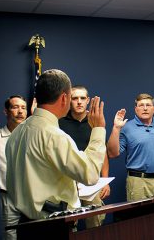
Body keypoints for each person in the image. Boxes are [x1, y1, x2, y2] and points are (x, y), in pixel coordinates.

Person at [6, 69, 106, 220]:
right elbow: (90, 174)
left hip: (25, 223)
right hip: (52, 225)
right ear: (65, 98)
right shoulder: (54, 136)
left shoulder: (17, 133)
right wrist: (98, 129)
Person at [107, 93, 154, 201]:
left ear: (153, 109)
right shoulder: (126, 127)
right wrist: (116, 128)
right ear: (136, 109)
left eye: (148, 105)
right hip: (138, 181)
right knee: (139, 216)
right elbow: (112, 153)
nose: (145, 108)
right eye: (141, 105)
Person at [59, 85, 110, 228]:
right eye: (75, 98)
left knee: (95, 222)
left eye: (82, 98)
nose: (79, 102)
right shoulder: (60, 122)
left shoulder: (95, 122)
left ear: (88, 100)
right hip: (68, 182)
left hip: (91, 182)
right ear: (69, 100)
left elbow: (103, 152)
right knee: (69, 225)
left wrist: (104, 181)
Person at [0, 95, 27, 240]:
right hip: (8, 199)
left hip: (34, 199)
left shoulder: (32, 135)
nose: (20, 111)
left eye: (23, 108)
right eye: (15, 107)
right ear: (6, 111)